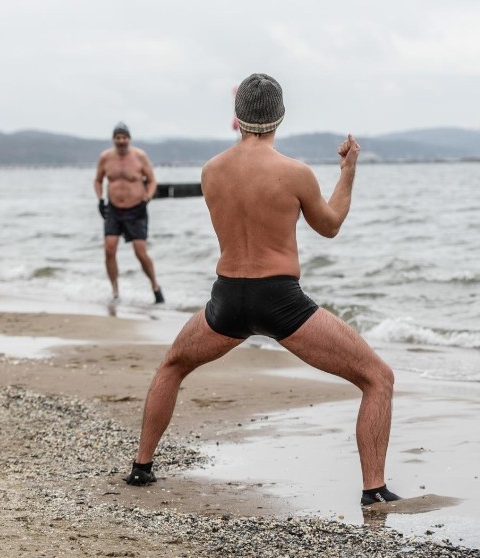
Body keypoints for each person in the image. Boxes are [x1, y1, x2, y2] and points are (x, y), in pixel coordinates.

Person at [123, 73, 400, 506]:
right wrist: (347, 171)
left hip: (227, 300)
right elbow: (330, 226)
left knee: (172, 367)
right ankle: (374, 490)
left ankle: (141, 468)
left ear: (237, 118)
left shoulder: (211, 171)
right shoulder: (295, 173)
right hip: (281, 301)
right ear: (280, 118)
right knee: (378, 378)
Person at [93, 122, 164, 304]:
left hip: (136, 209)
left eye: (124, 137)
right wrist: (100, 199)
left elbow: (152, 181)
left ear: (129, 139)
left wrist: (147, 199)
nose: (121, 141)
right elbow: (98, 180)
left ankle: (155, 286)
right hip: (114, 210)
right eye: (118, 137)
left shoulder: (139, 156)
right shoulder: (105, 158)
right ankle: (115, 291)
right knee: (109, 249)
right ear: (113, 139)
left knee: (140, 252)